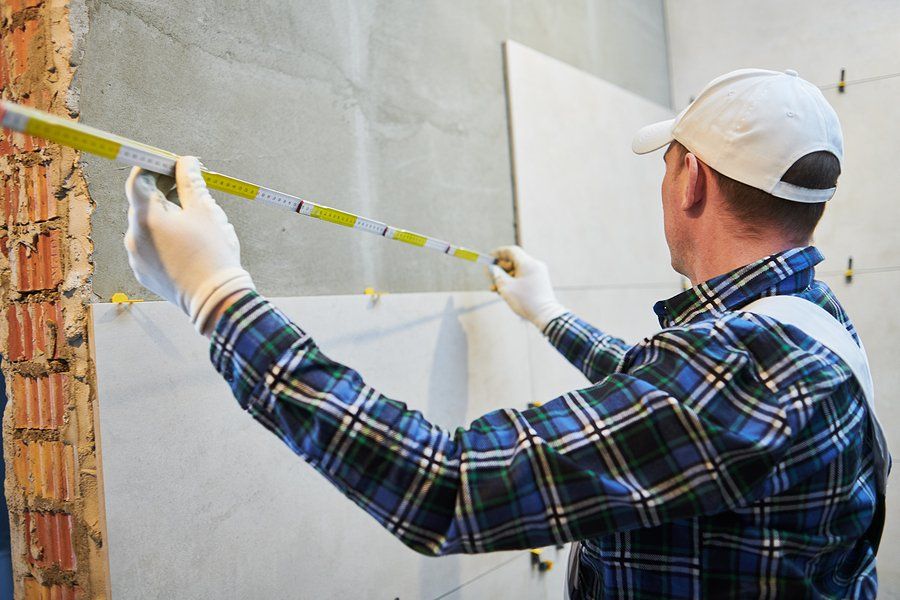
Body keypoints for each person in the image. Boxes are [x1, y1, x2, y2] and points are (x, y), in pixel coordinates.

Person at [122, 69, 888, 598]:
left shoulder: (746, 366)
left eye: (669, 165)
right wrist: (548, 314)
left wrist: (215, 295)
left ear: (691, 179)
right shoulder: (804, 321)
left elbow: (445, 484)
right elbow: (667, 407)